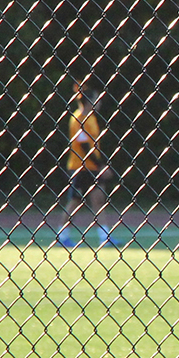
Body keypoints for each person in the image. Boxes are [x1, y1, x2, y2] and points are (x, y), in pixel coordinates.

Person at [58, 81, 115, 248]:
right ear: (89, 102)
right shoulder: (79, 118)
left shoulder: (91, 119)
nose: (99, 102)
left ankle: (105, 236)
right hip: (80, 167)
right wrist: (101, 166)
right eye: (96, 99)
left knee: (98, 199)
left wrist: (99, 164)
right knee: (74, 201)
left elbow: (93, 145)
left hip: (92, 167)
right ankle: (63, 235)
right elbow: (83, 146)